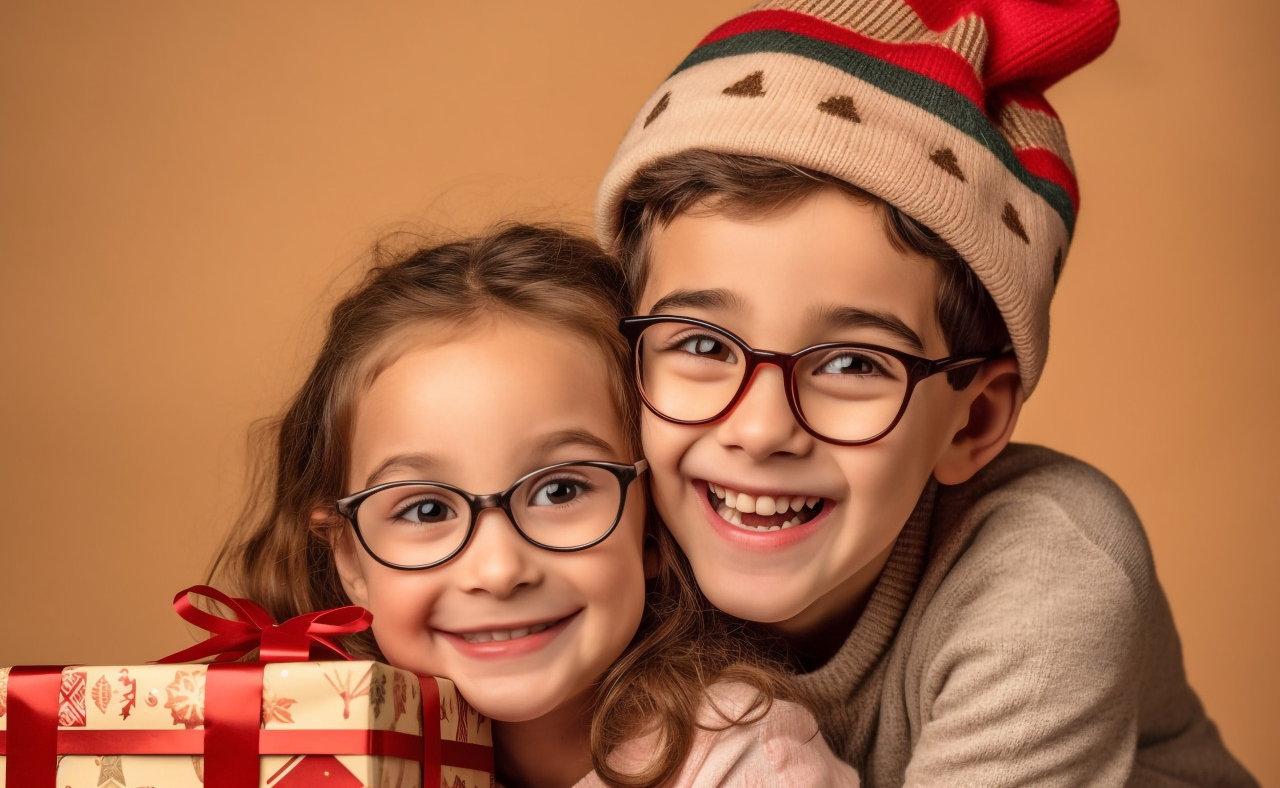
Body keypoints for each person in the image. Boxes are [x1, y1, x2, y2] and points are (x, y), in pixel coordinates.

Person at [594, 0, 1258, 786]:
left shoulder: (1047, 573)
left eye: (852, 362)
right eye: (700, 344)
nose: (759, 428)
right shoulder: (598, 534)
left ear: (973, 419)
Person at [212, 223, 860, 788]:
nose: (498, 569)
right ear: (350, 555)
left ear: (651, 524)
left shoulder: (744, 757)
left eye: (560, 490)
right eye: (426, 510)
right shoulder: (324, 751)